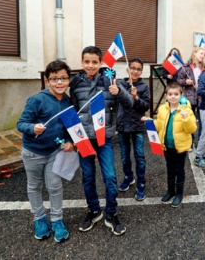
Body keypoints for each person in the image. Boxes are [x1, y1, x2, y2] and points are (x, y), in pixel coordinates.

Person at [70, 46, 133, 235]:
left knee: (110, 177)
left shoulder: (110, 79)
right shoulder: (76, 83)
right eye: (86, 62)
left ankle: (111, 213)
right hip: (84, 139)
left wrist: (118, 92)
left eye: (94, 62)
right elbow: (72, 109)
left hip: (104, 137)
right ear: (82, 62)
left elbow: (129, 103)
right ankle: (94, 210)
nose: (90, 65)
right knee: (88, 177)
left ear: (101, 63)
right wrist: (72, 138)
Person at [17, 60, 74, 242]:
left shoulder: (68, 102)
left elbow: (68, 128)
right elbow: (21, 124)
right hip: (33, 152)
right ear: (47, 80)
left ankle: (57, 220)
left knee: (55, 186)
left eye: (63, 78)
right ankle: (39, 219)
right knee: (34, 186)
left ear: (68, 80)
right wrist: (32, 128)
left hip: (54, 152)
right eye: (54, 78)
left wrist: (69, 141)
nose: (59, 82)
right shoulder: (37, 100)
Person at [147, 83, 197, 207]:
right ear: (166, 95)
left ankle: (179, 193)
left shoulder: (186, 110)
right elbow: (159, 125)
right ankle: (170, 191)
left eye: (176, 94)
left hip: (179, 147)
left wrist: (186, 118)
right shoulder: (163, 109)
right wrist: (149, 122)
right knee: (170, 168)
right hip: (166, 145)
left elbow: (192, 129)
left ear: (181, 95)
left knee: (179, 170)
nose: (173, 97)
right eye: (170, 94)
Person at [117, 57, 151, 200]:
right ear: (127, 69)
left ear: (141, 71)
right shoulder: (120, 84)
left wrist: (136, 97)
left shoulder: (144, 87)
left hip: (137, 125)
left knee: (139, 156)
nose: (135, 71)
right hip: (123, 125)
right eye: (132, 68)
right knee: (124, 156)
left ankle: (141, 182)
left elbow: (146, 106)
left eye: (138, 69)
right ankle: (128, 177)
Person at [177, 47, 205, 149]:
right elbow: (179, 80)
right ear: (195, 53)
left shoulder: (204, 67)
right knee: (190, 120)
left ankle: (201, 142)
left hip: (201, 97)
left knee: (202, 121)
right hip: (190, 97)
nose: (203, 56)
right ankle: (190, 141)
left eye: (203, 54)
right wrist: (185, 82)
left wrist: (201, 86)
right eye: (201, 53)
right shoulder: (186, 67)